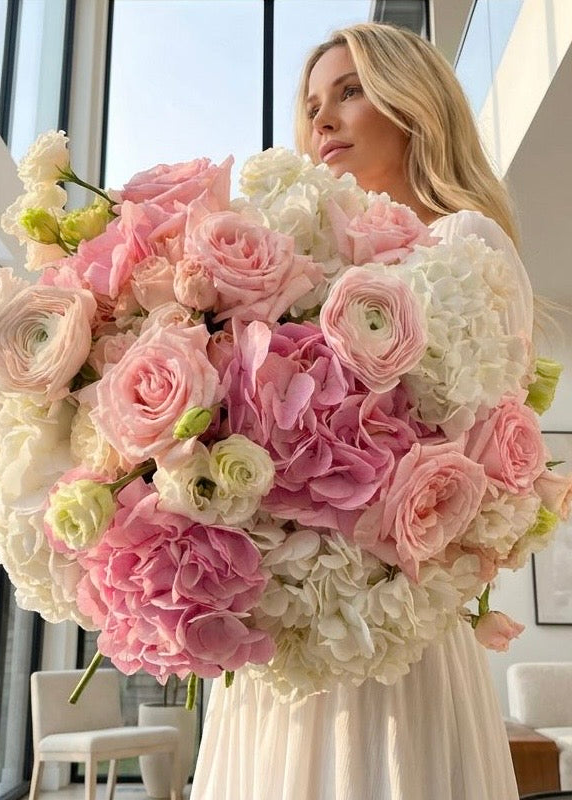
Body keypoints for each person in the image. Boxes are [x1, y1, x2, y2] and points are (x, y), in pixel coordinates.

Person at [191, 22, 531, 800]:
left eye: (351, 91)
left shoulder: (463, 241)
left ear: (415, 107)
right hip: (286, 633)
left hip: (387, 644)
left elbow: (473, 457)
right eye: (314, 102)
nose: (323, 118)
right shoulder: (303, 261)